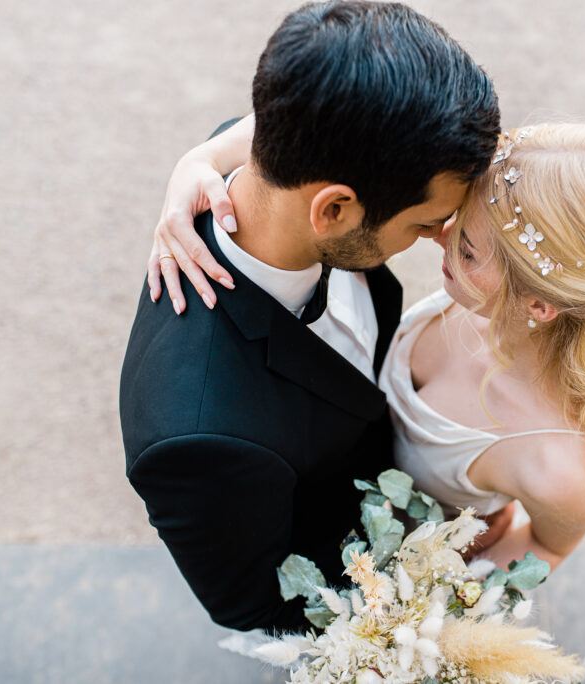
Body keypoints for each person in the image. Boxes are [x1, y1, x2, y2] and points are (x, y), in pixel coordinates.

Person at [119, 0, 500, 633]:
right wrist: (421, 575)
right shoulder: (198, 438)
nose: (445, 238)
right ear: (335, 211)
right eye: (427, 223)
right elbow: (257, 603)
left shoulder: (282, 149)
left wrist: (199, 156)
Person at [152, 122, 585, 573]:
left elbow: (543, 547)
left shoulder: (561, 471)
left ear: (539, 306)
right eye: (459, 217)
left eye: (466, 249)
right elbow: (323, 119)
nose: (438, 234)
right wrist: (199, 160)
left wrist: (433, 610)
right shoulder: (483, 296)